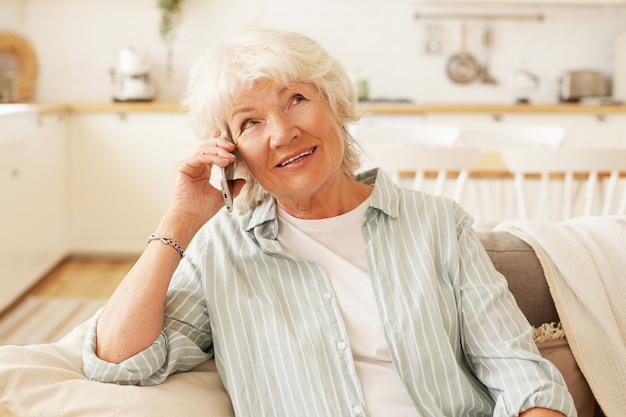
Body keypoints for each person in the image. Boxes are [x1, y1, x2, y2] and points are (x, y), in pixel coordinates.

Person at [83, 30, 576, 417]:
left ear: (336, 106)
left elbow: (524, 377)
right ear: (232, 153)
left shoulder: (440, 225)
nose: (281, 132)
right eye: (249, 122)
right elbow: (118, 359)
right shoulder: (222, 249)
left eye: (295, 98)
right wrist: (181, 218)